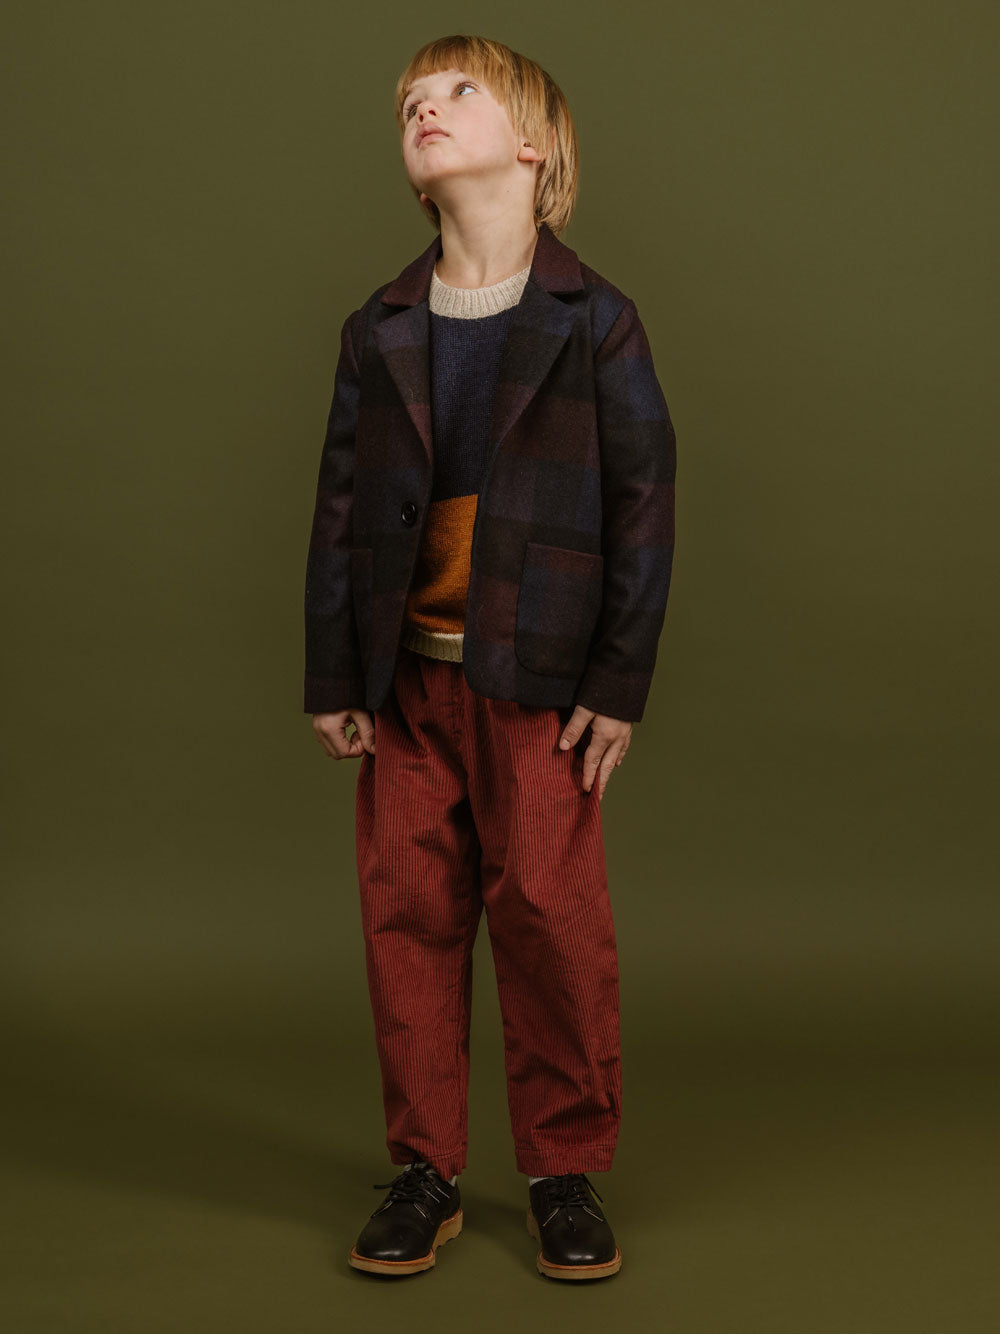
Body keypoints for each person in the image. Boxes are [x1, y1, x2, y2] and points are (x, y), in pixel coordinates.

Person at [303, 33, 677, 1281]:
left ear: (530, 144)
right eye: (411, 99)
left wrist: (616, 684)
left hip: (542, 686)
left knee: (552, 921)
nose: (426, 106)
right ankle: (426, 1167)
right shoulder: (379, 325)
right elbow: (341, 511)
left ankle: (562, 1167)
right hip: (407, 681)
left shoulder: (596, 319)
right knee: (406, 915)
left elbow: (643, 504)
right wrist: (334, 677)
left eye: (457, 90)